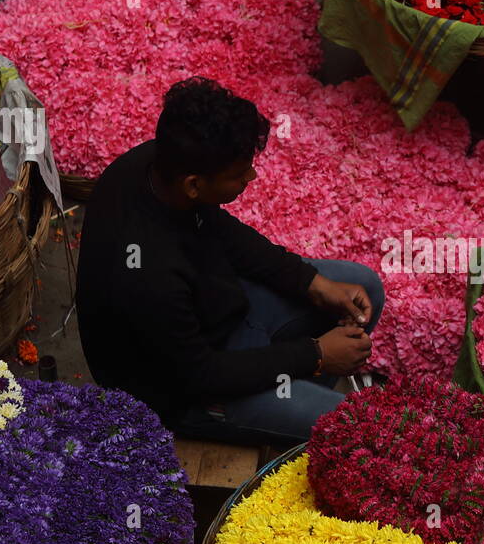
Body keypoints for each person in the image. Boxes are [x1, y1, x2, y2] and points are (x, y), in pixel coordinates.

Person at [76, 77, 384, 444]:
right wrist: (315, 355)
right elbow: (201, 374)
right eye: (239, 174)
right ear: (194, 184)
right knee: (341, 423)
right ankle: (270, 407)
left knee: (364, 288)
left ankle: (287, 389)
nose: (250, 176)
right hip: (187, 391)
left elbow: (220, 230)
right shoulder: (147, 275)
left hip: (220, 312)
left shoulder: (159, 163)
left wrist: (311, 283)